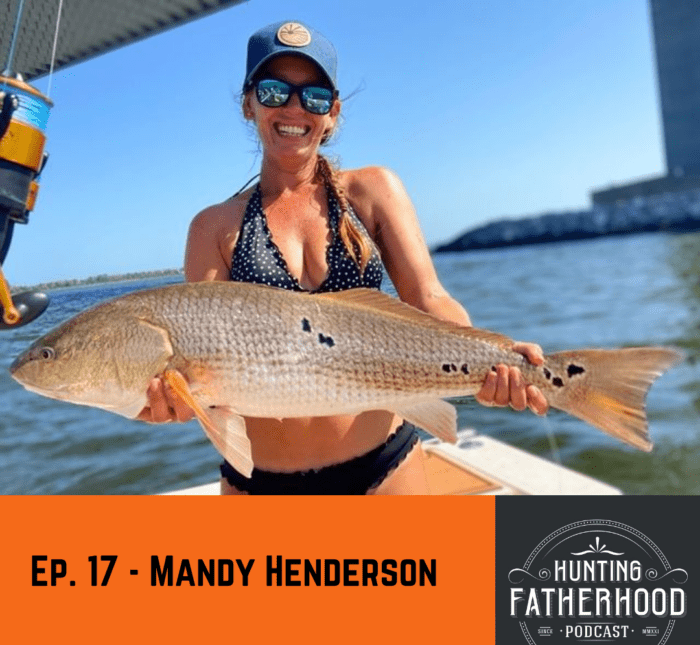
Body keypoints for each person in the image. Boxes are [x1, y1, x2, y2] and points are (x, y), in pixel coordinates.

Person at [138, 20, 548, 495]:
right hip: (263, 489)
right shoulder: (212, 227)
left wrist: (496, 359)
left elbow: (429, 298)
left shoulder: (372, 191)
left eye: (313, 96)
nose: (294, 108)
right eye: (274, 92)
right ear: (248, 103)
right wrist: (172, 402)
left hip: (385, 469)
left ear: (332, 113)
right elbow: (204, 371)